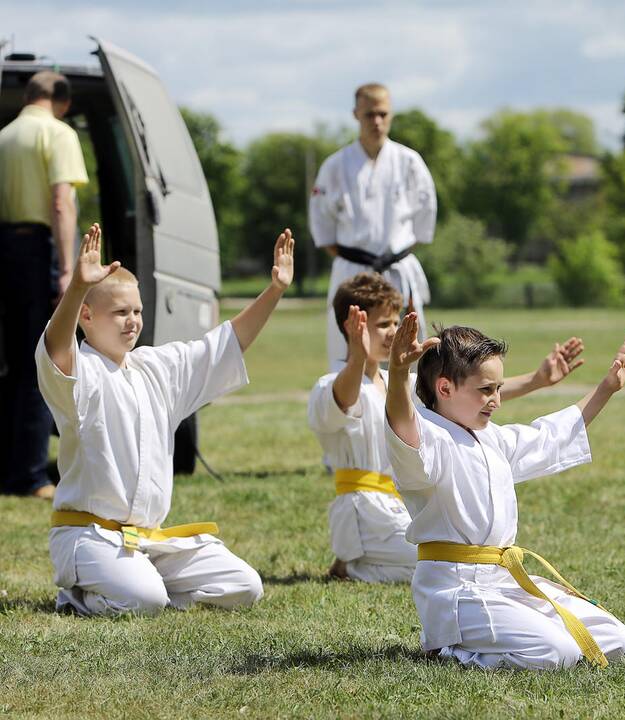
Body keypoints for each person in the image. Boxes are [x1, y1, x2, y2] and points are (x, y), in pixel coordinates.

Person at [36, 223, 295, 616]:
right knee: (146, 601)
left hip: (146, 540)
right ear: (86, 316)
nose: (132, 321)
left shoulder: (155, 367)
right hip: (88, 536)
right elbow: (56, 347)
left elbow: (224, 345)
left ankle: (142, 581)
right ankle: (79, 598)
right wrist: (75, 289)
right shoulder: (81, 372)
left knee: (244, 586)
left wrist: (274, 290)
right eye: (120, 312)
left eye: (137, 311)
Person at [384, 313, 625, 670]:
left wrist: (606, 387)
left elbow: (550, 435)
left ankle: (518, 635)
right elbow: (400, 418)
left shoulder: (492, 438)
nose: (496, 400)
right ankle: (448, 649)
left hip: (501, 581)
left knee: (614, 638)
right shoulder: (428, 439)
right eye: (486, 390)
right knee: (558, 652)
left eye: (498, 389)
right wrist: (396, 372)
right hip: (456, 590)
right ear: (445, 389)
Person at [308, 271, 587, 583]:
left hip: (400, 506)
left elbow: (464, 394)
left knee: (456, 554)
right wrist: (357, 357)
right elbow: (344, 400)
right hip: (364, 510)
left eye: (394, 322)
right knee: (445, 562)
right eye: (381, 324)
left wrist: (538, 379)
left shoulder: (398, 383)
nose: (392, 331)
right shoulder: (331, 386)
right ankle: (354, 562)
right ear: (351, 326)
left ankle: (358, 564)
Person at [0, 70, 88, 499]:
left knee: (12, 363)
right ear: (63, 102)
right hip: (38, 252)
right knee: (41, 360)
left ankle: (10, 466)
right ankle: (31, 475)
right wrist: (68, 267)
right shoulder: (58, 134)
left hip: (4, 249)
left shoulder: (4, 136)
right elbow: (60, 201)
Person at [309, 82, 436, 371]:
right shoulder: (335, 166)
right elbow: (322, 226)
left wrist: (392, 256)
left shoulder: (410, 162)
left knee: (409, 352)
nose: (377, 121)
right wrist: (359, 262)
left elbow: (423, 221)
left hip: (398, 268)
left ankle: (411, 414)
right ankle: (351, 413)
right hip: (353, 271)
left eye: (383, 113)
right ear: (356, 114)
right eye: (369, 114)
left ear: (391, 115)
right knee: (347, 351)